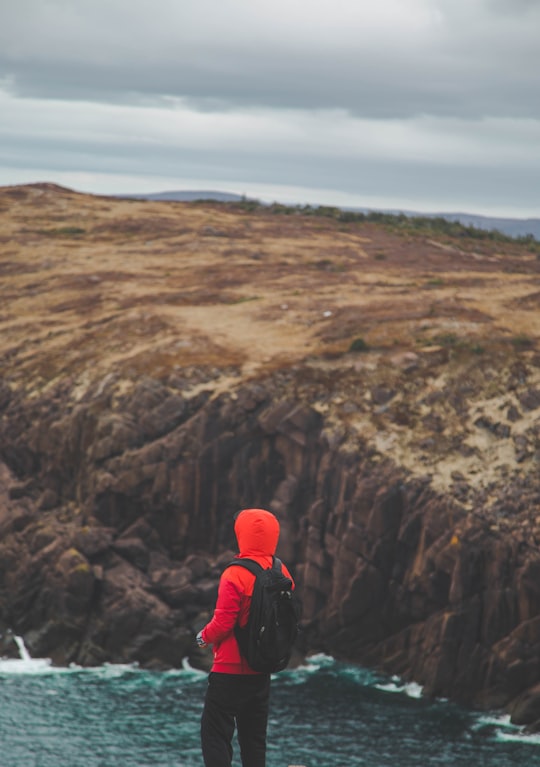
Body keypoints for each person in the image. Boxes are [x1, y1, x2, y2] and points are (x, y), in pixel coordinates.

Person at [197, 507, 295, 767]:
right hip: (261, 669)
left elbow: (223, 623)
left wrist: (202, 637)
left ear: (241, 534)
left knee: (215, 733)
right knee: (254, 738)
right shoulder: (282, 571)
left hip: (229, 670)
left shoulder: (235, 573)